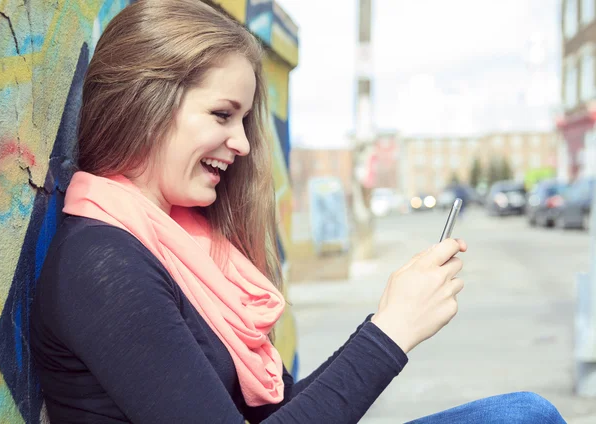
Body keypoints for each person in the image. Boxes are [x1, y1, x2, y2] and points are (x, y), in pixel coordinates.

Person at [29, 1, 567, 423]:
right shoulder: (100, 264)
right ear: (144, 101)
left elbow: (279, 408)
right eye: (222, 115)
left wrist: (387, 319)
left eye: (243, 121)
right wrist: (390, 332)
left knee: (524, 414)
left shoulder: (186, 246)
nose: (240, 143)